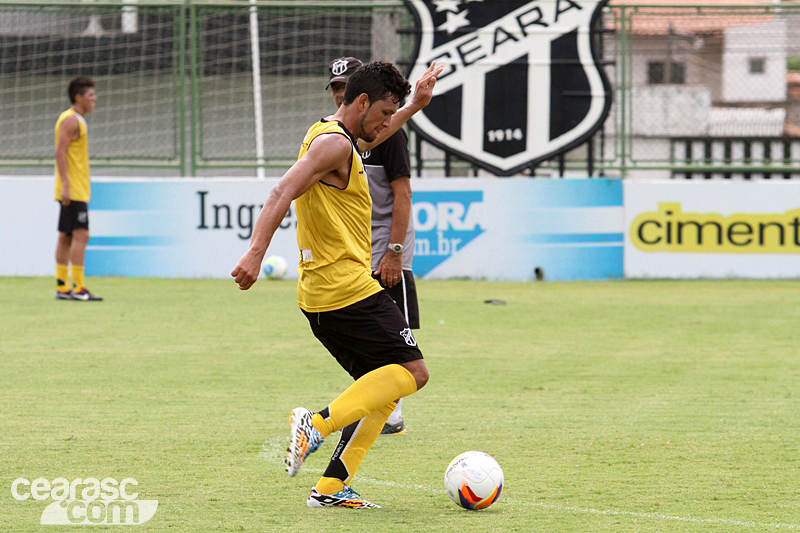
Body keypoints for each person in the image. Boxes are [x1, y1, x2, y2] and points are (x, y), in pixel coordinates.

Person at [232, 61, 442, 509]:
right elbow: (279, 193)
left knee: (383, 385)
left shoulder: (334, 134)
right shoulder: (332, 145)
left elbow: (374, 135)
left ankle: (329, 488)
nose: (388, 123)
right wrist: (255, 253)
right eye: (386, 111)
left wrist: (414, 107)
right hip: (344, 288)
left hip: (324, 293)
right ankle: (317, 425)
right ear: (362, 101)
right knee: (414, 373)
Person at [327, 57, 419, 436]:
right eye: (334, 88)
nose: (339, 94)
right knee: (372, 336)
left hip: (387, 249)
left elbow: (403, 194)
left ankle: (387, 411)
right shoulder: (334, 137)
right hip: (356, 251)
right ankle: (373, 405)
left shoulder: (387, 133)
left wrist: (394, 252)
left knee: (403, 335)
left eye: (345, 87)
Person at [54, 76, 102, 301]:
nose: (95, 98)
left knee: (66, 235)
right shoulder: (71, 120)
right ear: (78, 97)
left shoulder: (77, 120)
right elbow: (60, 152)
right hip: (72, 189)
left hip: (74, 188)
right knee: (82, 235)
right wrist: (66, 184)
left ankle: (63, 287)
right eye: (91, 95)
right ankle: (79, 287)